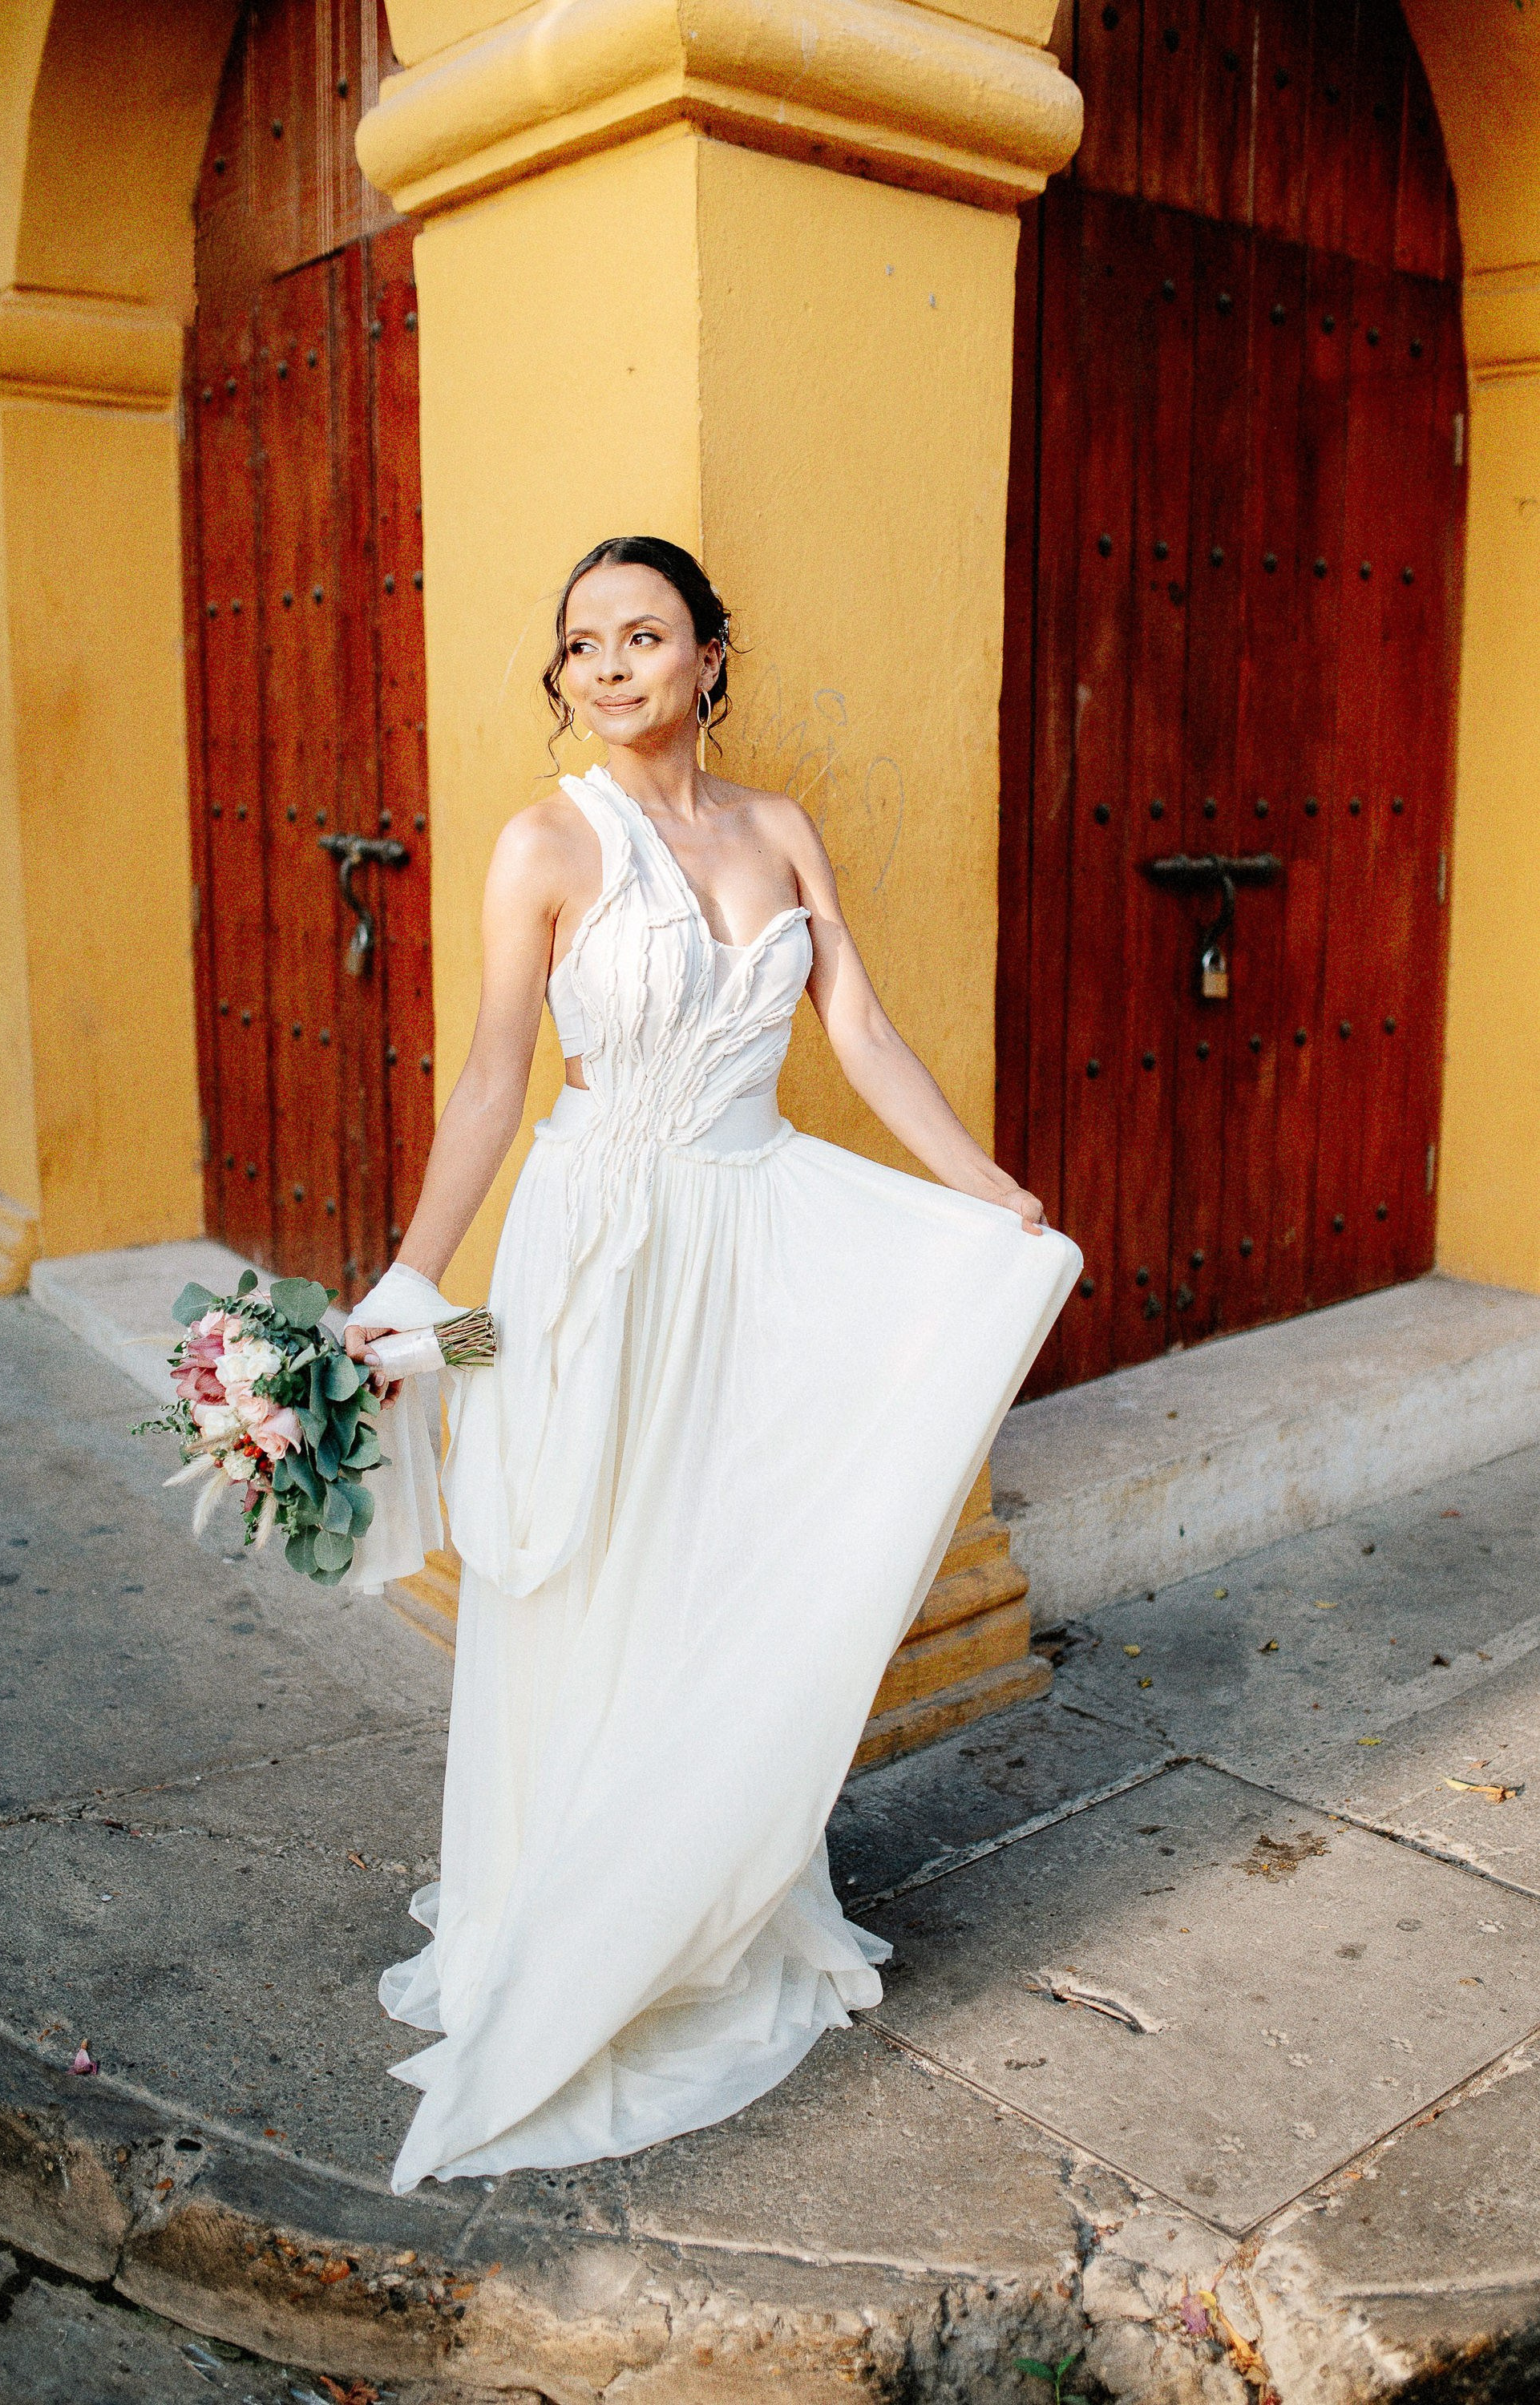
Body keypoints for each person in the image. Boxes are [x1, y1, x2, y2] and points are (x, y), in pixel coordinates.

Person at [343, 535, 1081, 2193]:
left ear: (710, 655)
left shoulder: (782, 832)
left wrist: (984, 1189)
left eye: (644, 635)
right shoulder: (543, 845)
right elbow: (491, 1086)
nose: (609, 667)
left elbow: (861, 1035)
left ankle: (695, 1899)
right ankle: (556, 1897)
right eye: (582, 643)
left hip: (746, 1243)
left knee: (705, 1559)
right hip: (584, 1247)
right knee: (572, 1544)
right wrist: (409, 1285)